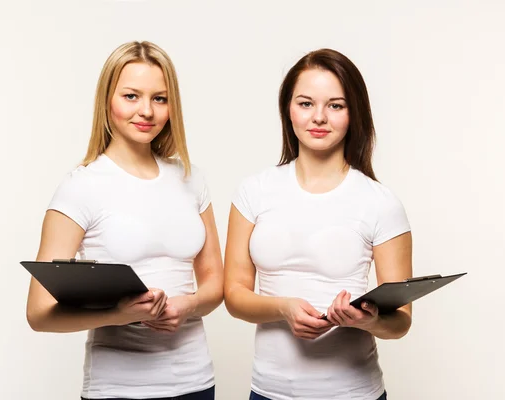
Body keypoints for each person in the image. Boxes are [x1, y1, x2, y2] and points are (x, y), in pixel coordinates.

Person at [26, 41, 224, 400]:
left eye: (159, 99)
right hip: (117, 389)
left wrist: (187, 304)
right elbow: (39, 314)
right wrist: (118, 314)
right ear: (107, 101)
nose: (146, 111)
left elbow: (214, 286)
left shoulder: (192, 180)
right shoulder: (81, 186)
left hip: (196, 382)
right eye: (131, 96)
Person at [224, 48, 413, 400]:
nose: (319, 117)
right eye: (306, 103)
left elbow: (401, 319)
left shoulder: (381, 203)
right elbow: (234, 295)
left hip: (353, 393)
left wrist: (367, 320)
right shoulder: (254, 191)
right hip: (268, 392)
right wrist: (283, 308)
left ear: (354, 113)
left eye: (336, 105)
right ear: (288, 110)